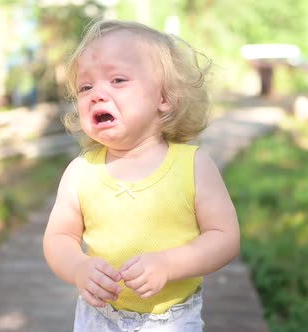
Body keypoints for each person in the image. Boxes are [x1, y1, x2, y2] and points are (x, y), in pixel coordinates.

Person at [43, 19, 240, 332]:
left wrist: (169, 263)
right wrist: (79, 267)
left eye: (118, 80)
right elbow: (59, 237)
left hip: (171, 319)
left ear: (163, 97)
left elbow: (225, 238)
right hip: (99, 316)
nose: (97, 94)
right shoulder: (81, 172)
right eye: (86, 87)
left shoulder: (193, 166)